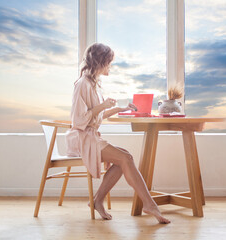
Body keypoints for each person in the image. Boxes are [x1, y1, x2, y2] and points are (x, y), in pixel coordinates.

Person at [65, 43, 170, 224]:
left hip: (90, 136)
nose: (110, 67)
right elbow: (78, 120)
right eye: (109, 62)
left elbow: (96, 117)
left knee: (124, 159)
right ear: (100, 62)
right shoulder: (82, 84)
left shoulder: (93, 85)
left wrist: (120, 109)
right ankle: (149, 204)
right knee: (125, 159)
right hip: (81, 139)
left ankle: (97, 200)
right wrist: (102, 105)